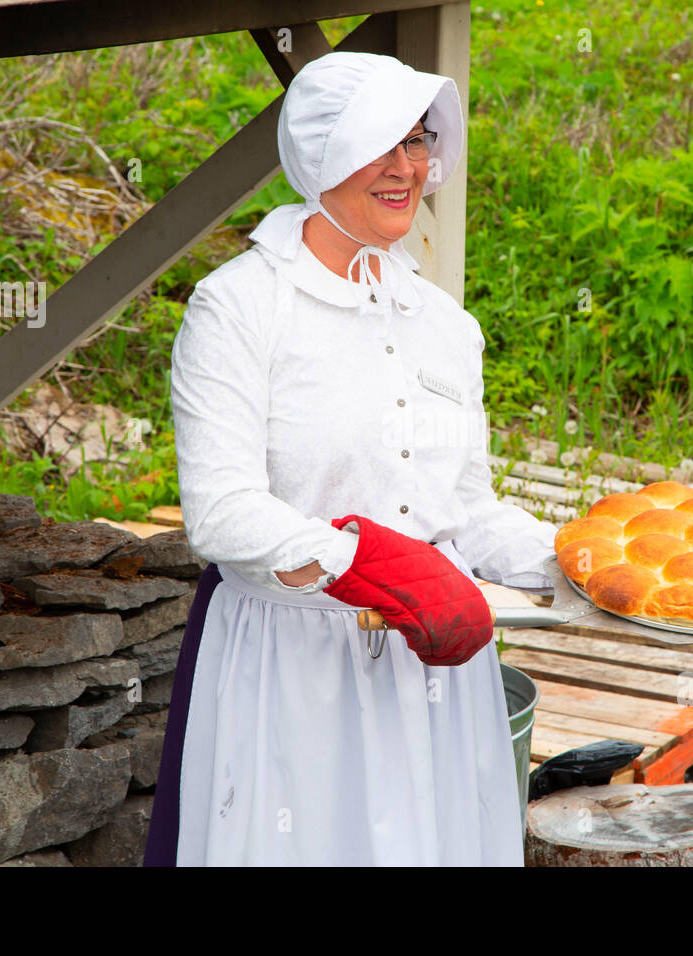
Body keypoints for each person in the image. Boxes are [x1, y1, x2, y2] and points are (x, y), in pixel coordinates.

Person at [143, 51, 556, 867]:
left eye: (418, 142)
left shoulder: (443, 323)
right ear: (325, 151)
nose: (408, 168)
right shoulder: (240, 307)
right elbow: (222, 511)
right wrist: (367, 564)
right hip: (294, 667)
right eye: (383, 145)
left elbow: (467, 510)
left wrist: (579, 561)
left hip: (435, 675)